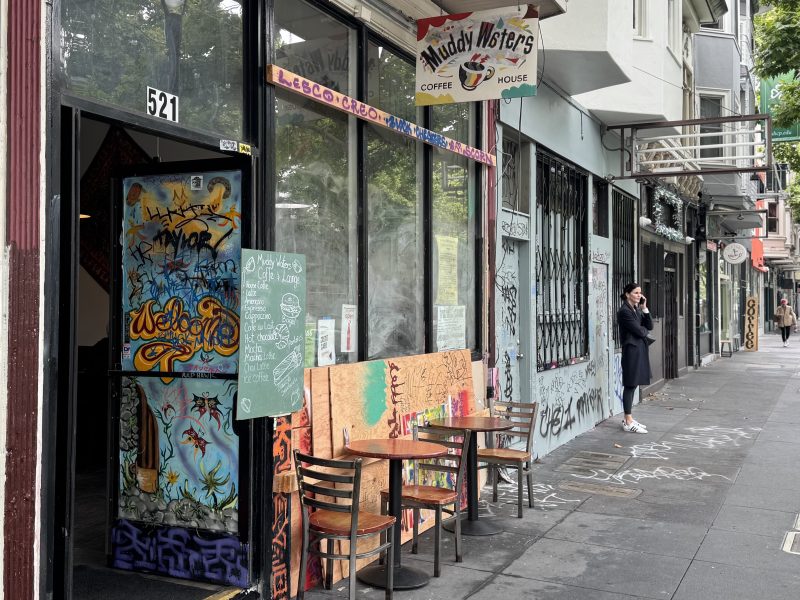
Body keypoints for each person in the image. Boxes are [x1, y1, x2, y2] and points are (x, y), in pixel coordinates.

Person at [616, 283, 653, 434]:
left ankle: (629, 418)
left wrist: (644, 308)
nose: (639, 295)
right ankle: (628, 420)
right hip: (632, 350)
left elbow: (649, 326)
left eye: (640, 293)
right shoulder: (624, 311)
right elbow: (640, 331)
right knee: (630, 384)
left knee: (634, 383)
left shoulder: (636, 310)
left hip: (639, 349)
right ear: (627, 294)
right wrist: (643, 331)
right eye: (636, 293)